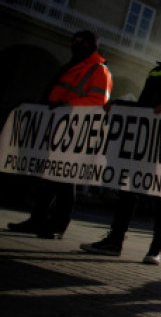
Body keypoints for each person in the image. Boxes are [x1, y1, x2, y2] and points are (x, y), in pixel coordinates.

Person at [80, 28, 161, 264]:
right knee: (127, 189)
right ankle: (114, 241)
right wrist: (118, 106)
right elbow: (142, 105)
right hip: (142, 140)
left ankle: (156, 249)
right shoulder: (156, 71)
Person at [7, 30, 112, 239]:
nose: (76, 44)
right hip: (56, 128)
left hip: (75, 133)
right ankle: (37, 220)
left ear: (92, 46)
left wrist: (68, 105)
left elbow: (99, 101)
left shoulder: (99, 70)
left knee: (65, 180)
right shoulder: (74, 66)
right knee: (48, 176)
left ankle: (57, 226)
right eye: (74, 41)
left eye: (82, 42)